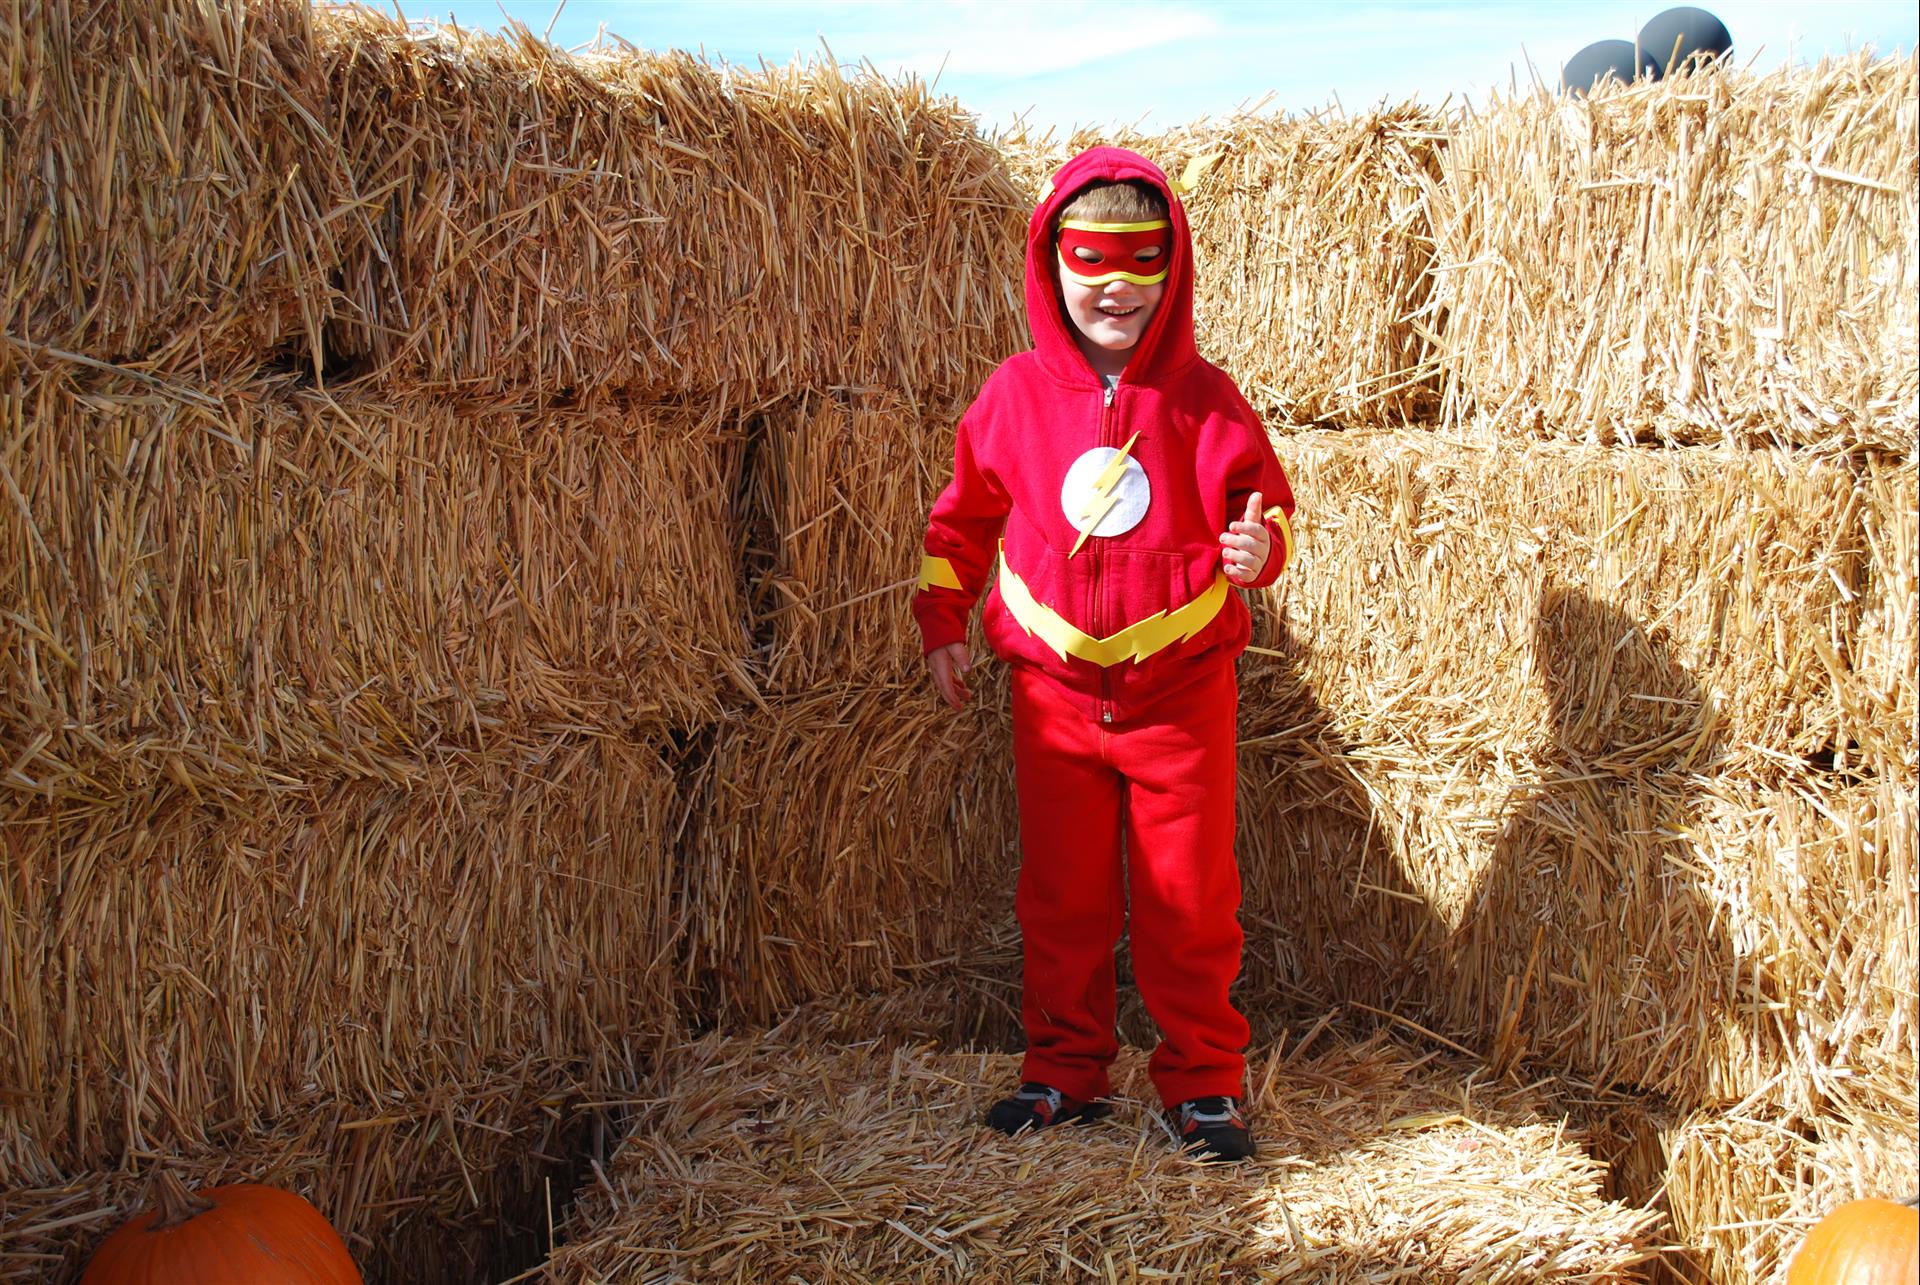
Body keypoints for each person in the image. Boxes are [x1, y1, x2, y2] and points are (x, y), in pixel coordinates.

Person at [910, 146, 1295, 1163]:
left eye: (1140, 259)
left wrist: (1261, 549)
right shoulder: (1010, 398)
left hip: (1180, 698)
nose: (1115, 284)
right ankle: (1065, 1071)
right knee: (1064, 896)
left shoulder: (1208, 398)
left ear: (1175, 267)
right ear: (1051, 265)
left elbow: (1268, 510)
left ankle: (1204, 1082)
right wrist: (940, 625)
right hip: (1055, 700)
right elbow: (959, 524)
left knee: (1190, 899)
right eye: (1090, 258)